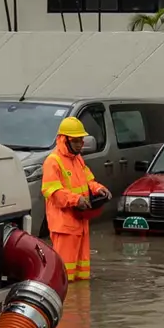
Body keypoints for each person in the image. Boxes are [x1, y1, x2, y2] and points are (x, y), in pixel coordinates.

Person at [41, 116, 111, 282]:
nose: (80, 144)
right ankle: (69, 298)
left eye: (81, 140)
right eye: (76, 141)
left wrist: (99, 188)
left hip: (80, 221)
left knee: (81, 274)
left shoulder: (77, 159)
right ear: (64, 139)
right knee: (64, 275)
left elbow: (89, 181)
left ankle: (79, 298)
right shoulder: (53, 162)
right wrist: (76, 200)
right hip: (64, 226)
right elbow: (53, 192)